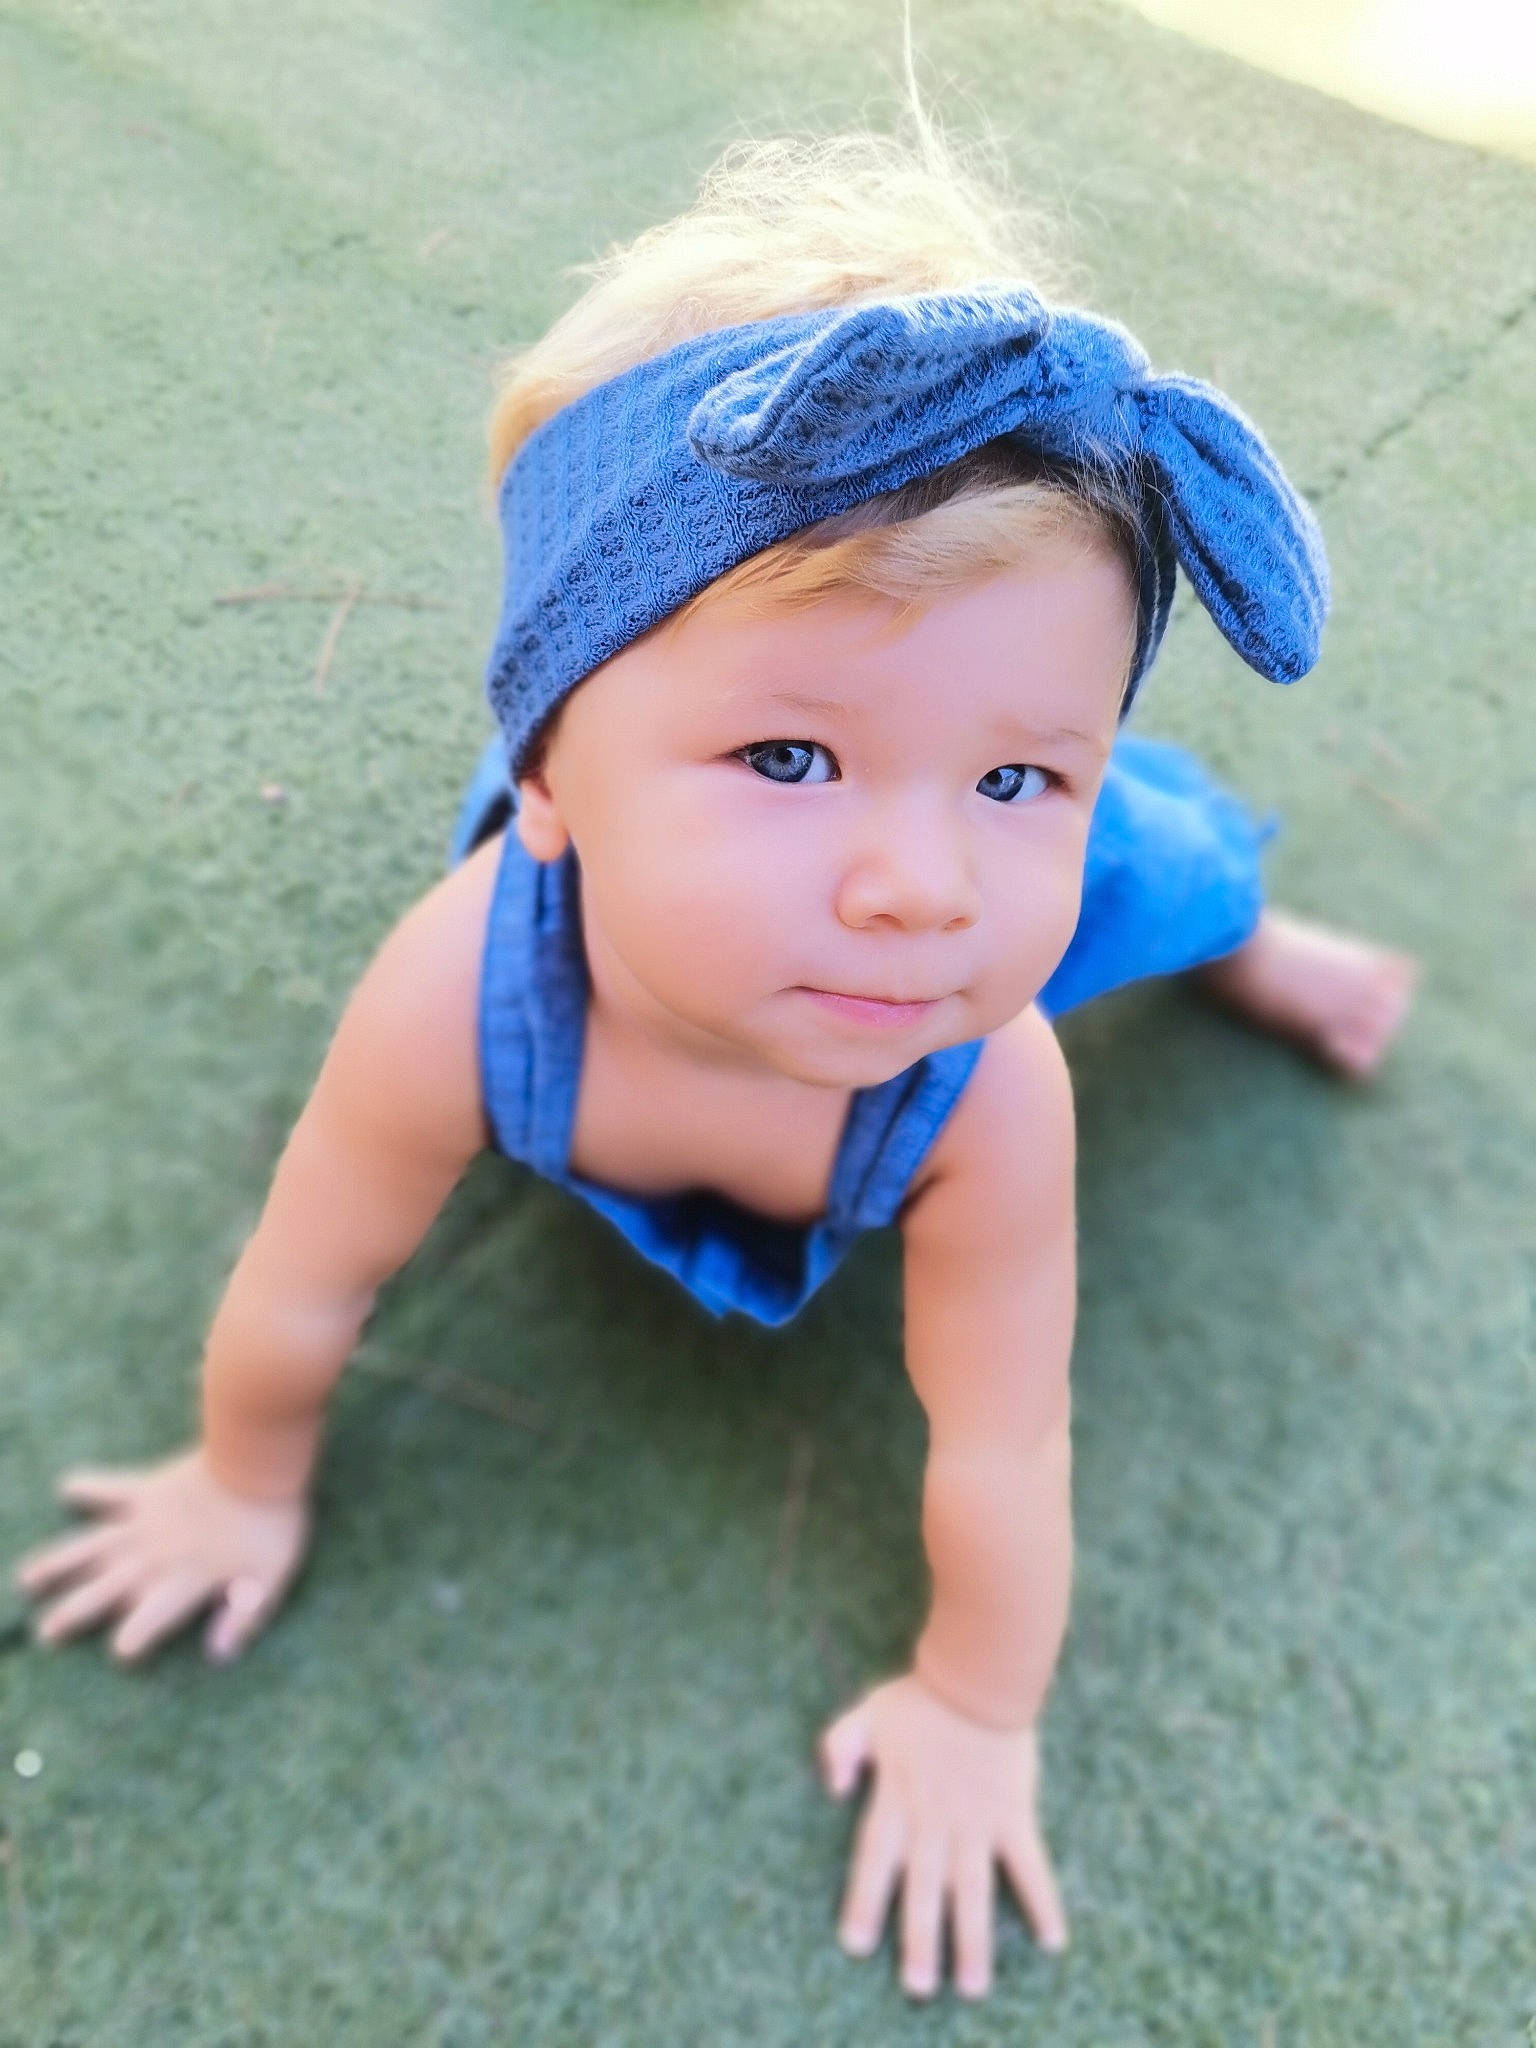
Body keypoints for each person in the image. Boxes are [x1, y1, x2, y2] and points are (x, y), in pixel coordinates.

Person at [13, 124, 1415, 2000]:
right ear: (546, 777)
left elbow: (1004, 1434)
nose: (920, 886)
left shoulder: (987, 1077)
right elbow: (310, 1268)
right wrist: (241, 1477)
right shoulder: (458, 986)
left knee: (1146, 869)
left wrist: (980, 1706)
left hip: (1011, 916)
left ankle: (1247, 917)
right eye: (788, 758)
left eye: (1017, 775)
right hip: (584, 885)